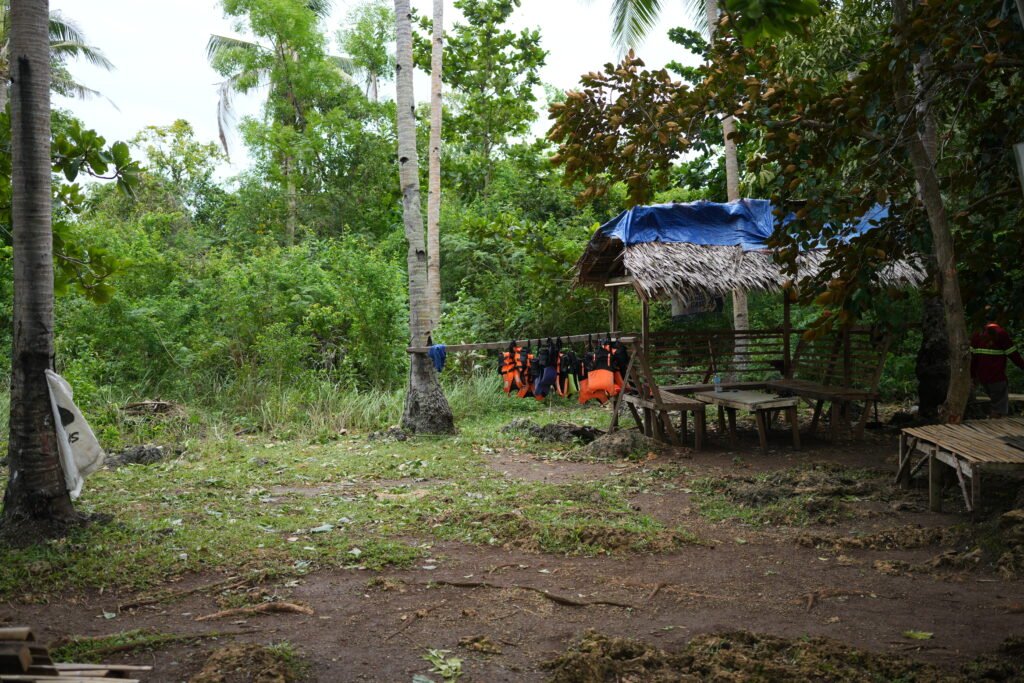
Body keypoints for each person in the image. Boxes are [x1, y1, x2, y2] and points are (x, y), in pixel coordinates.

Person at [970, 321, 1024, 417]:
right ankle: (996, 426)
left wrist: (973, 376)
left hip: (982, 377)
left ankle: (993, 422)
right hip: (997, 377)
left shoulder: (977, 334)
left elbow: (972, 359)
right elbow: (1014, 355)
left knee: (995, 404)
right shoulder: (1001, 333)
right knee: (999, 409)